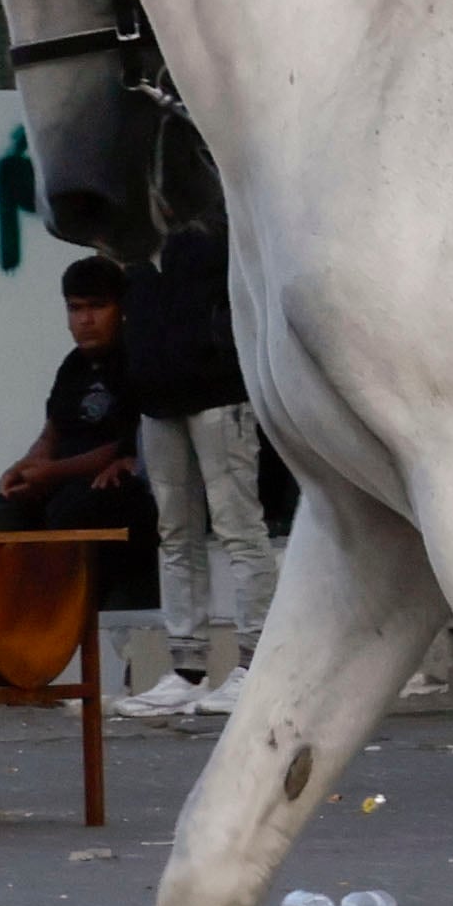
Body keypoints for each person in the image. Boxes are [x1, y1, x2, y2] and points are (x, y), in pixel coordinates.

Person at [118, 221, 274, 719]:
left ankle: (256, 663)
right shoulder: (137, 233)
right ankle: (186, 669)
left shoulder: (214, 214)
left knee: (238, 530)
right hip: (158, 397)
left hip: (217, 392)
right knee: (176, 534)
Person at [0, 258, 152, 557]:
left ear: (121, 308)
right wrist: (25, 468)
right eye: (75, 308)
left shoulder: (133, 359)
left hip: (105, 483)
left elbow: (120, 446)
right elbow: (51, 434)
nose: (85, 320)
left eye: (97, 306)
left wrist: (52, 472)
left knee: (69, 515)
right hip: (59, 479)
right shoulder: (73, 366)